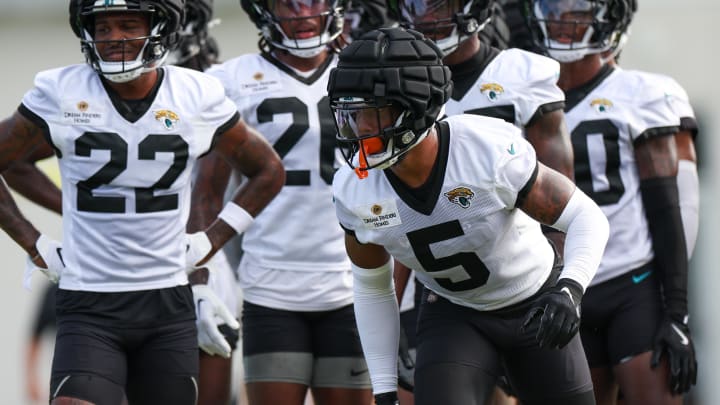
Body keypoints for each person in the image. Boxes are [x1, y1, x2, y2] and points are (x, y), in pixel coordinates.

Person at [0, 1, 285, 404]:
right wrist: (35, 244)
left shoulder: (195, 94)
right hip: (89, 301)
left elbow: (268, 170)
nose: (113, 38)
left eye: (127, 25)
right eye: (102, 28)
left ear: (160, 28)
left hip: (167, 303)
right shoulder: (60, 91)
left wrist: (210, 241)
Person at [328, 26, 610, 405]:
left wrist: (570, 288)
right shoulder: (353, 189)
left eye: (371, 115)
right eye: (350, 115)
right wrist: (383, 389)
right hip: (456, 314)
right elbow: (371, 285)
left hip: (536, 302)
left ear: (412, 109)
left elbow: (586, 216)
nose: (358, 130)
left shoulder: (484, 152)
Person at [389, 2, 576, 403]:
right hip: (437, 279)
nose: (428, 14)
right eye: (417, 4)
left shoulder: (522, 74)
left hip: (518, 273)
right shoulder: (394, 82)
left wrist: (560, 283)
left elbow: (561, 206)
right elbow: (395, 210)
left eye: (442, 3)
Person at [191, 1, 374, 404]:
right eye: (288, 2)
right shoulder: (228, 80)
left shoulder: (369, 72)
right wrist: (203, 280)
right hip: (269, 288)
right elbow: (205, 193)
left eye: (314, 1)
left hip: (354, 284)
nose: (303, 13)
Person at [524, 0, 698, 403]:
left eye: (577, 12)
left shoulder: (642, 94)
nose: (561, 21)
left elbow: (669, 207)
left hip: (630, 284)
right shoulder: (524, 91)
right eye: (553, 10)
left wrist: (677, 312)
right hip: (559, 287)